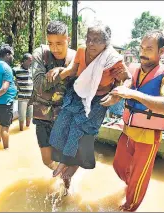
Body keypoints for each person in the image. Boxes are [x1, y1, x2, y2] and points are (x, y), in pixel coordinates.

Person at [48, 23, 132, 180]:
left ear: (106, 43)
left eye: (97, 40)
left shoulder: (113, 59)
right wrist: (58, 73)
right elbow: (73, 69)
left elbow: (128, 79)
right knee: (62, 124)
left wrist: (118, 93)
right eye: (89, 39)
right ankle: (63, 161)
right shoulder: (81, 50)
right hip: (78, 93)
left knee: (78, 129)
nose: (91, 43)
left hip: (98, 100)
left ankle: (66, 164)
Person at [110, 30, 164, 211]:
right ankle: (131, 184)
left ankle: (130, 207)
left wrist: (133, 94)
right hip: (128, 130)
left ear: (161, 52)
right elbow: (126, 82)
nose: (143, 53)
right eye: (141, 48)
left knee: (138, 182)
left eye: (149, 49)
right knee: (118, 166)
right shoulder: (133, 68)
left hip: (148, 136)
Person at [30, 21, 76, 170]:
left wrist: (62, 69)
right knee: (47, 160)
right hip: (42, 113)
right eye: (50, 43)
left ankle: (66, 185)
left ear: (67, 40)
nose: (54, 48)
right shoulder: (40, 53)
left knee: (65, 158)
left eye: (59, 43)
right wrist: (67, 72)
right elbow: (38, 84)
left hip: (65, 115)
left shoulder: (76, 57)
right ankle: (60, 174)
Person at [13, 53, 34, 131]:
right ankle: (21, 130)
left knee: (29, 116)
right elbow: (9, 78)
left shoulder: (31, 70)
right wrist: (15, 84)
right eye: (29, 61)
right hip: (22, 97)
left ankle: (26, 129)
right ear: (24, 61)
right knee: (21, 116)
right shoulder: (16, 70)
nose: (31, 62)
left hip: (31, 98)